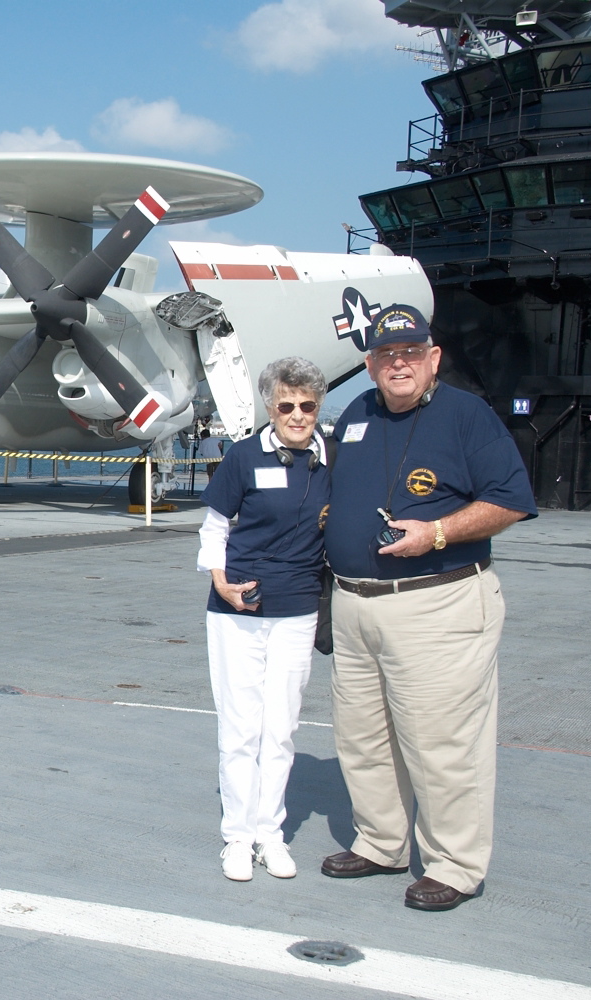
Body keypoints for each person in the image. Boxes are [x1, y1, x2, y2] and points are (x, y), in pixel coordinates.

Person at [321, 303, 536, 912]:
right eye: (387, 355)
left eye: (411, 352)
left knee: (441, 743)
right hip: (356, 605)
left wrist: (437, 533)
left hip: (437, 603)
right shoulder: (357, 416)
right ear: (369, 365)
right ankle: (381, 842)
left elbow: (511, 500)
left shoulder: (468, 416)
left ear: (433, 357)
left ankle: (456, 866)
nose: (399, 364)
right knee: (364, 738)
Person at [196, 357, 330, 882]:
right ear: (270, 407)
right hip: (239, 611)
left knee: (281, 729)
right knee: (240, 728)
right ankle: (237, 836)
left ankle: (269, 834)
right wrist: (220, 581)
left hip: (298, 610)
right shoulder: (245, 457)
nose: (297, 415)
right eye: (285, 405)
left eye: (307, 406)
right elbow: (214, 528)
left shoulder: (331, 458)